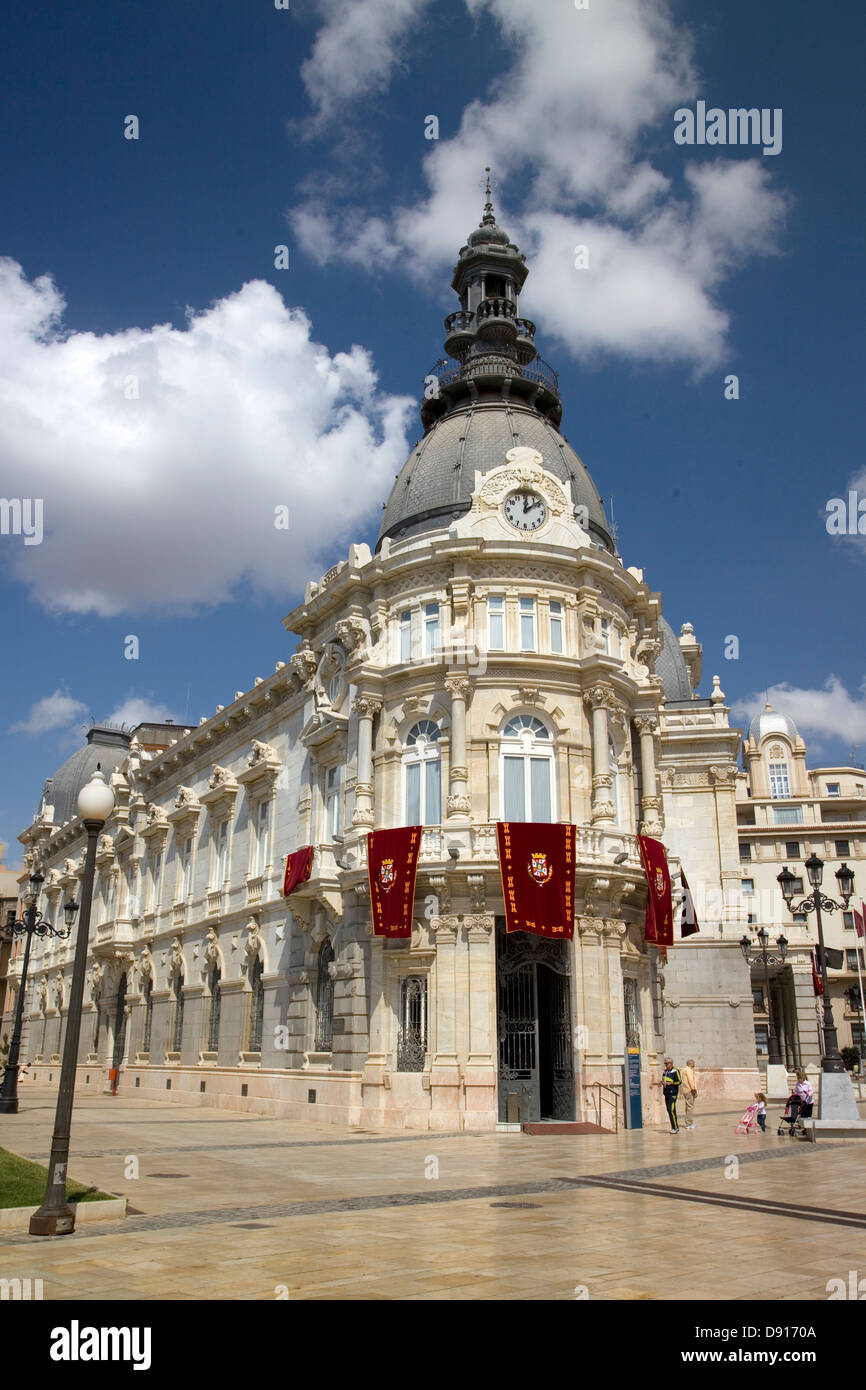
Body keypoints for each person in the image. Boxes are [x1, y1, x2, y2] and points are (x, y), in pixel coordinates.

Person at [661, 1056, 683, 1134]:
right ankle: (673, 1127)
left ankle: (675, 1128)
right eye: (665, 1063)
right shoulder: (665, 1072)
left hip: (673, 1093)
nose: (666, 1065)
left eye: (667, 1063)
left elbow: (679, 1081)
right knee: (669, 1110)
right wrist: (663, 1082)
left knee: (672, 1110)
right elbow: (664, 1080)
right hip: (666, 1093)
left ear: (671, 1063)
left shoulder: (675, 1071)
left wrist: (670, 1083)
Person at [682, 1057, 698, 1129]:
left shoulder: (684, 1070)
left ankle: (688, 1122)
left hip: (686, 1090)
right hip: (689, 1090)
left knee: (688, 1107)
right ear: (690, 1064)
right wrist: (693, 1089)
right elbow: (690, 1080)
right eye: (693, 1065)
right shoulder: (688, 1070)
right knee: (690, 1107)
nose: (694, 1066)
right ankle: (689, 1124)